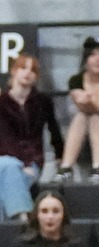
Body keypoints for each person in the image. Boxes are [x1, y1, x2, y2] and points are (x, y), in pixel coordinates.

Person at [54, 36, 99, 182]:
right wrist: (86, 102)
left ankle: (98, 168)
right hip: (85, 140)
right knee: (82, 116)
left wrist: (88, 100)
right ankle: (66, 167)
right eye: (93, 55)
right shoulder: (76, 80)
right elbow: (81, 105)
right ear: (85, 59)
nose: (98, 59)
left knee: (94, 116)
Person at [0, 55, 63, 221]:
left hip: (33, 160)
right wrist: (22, 163)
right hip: (7, 160)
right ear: (14, 71)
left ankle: (20, 223)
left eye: (32, 70)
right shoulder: (2, 102)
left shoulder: (42, 101)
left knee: (7, 170)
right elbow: (5, 137)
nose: (28, 73)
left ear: (37, 76)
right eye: (23, 68)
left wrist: (59, 155)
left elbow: (53, 128)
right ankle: (23, 218)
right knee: (8, 166)